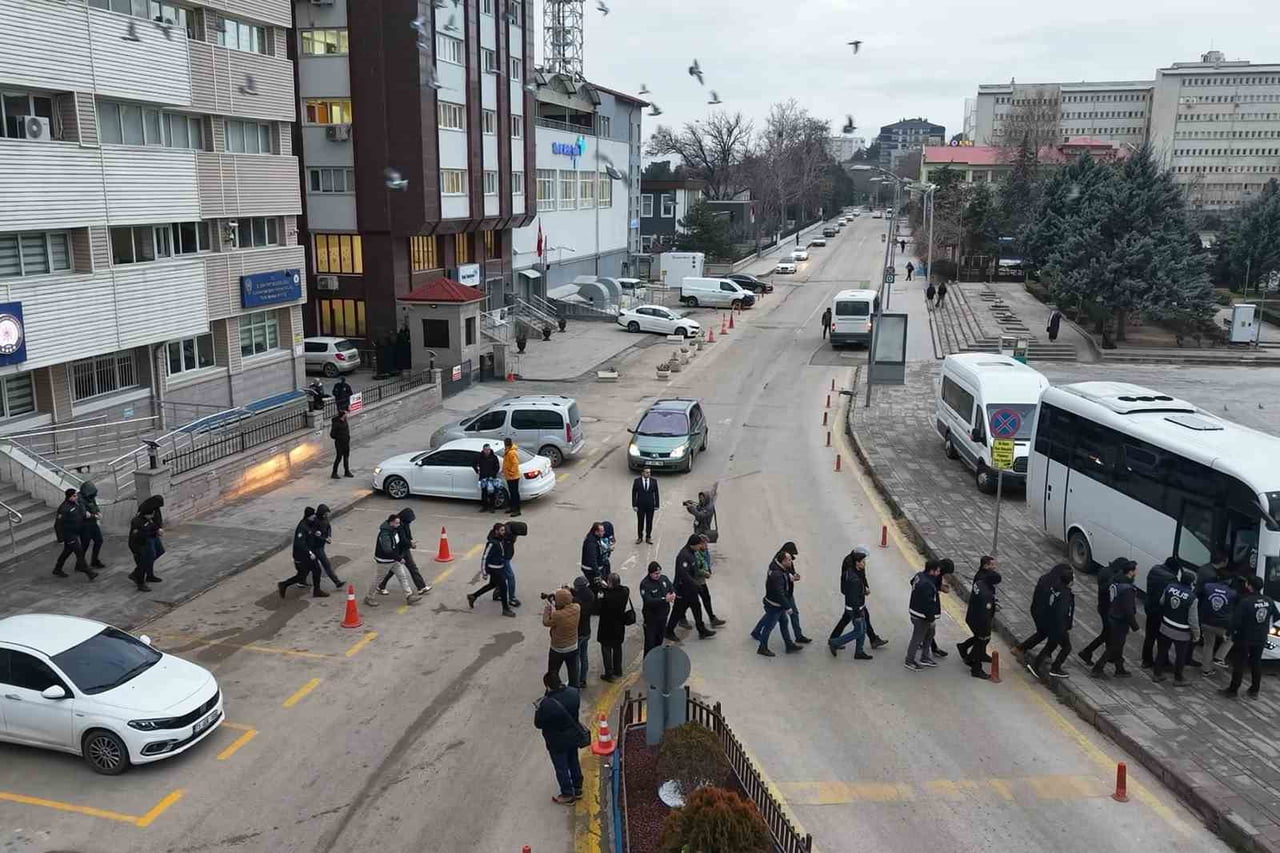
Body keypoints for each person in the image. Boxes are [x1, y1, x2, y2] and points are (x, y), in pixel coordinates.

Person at [1219, 576, 1279, 699]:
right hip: (1261, 637)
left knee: (1239, 663)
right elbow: (1277, 616)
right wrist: (1264, 625)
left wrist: (1228, 633)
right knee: (1256, 662)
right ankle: (1254, 691)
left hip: (1244, 637)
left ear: (1248, 585)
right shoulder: (1269, 600)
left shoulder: (1246, 602)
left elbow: (1236, 621)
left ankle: (1233, 690)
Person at [533, 672, 583, 804]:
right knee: (573, 761)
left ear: (547, 686)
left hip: (557, 741)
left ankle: (567, 794)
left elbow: (538, 723)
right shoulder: (573, 693)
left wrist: (542, 704)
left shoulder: (547, 704)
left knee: (561, 767)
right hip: (573, 735)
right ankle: (578, 788)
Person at [1091, 560, 1140, 679]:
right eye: (1135, 570)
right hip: (1120, 620)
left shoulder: (1116, 582)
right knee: (1114, 646)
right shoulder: (1127, 589)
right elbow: (1128, 609)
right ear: (1130, 572)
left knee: (1118, 645)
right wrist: (1134, 625)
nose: (1137, 573)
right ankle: (1098, 668)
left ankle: (1119, 668)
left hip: (1113, 615)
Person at [1080, 558, 1131, 666]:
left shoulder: (1105, 570)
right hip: (1108, 610)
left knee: (1107, 633)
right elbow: (1107, 590)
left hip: (1104, 608)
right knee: (1110, 634)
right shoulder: (1111, 577)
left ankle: (1089, 652)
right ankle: (1091, 653)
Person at [665, 535, 716, 641]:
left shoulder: (692, 553)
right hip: (682, 589)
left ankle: (701, 630)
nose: (700, 547)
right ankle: (669, 631)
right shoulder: (683, 556)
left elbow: (695, 570)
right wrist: (696, 584)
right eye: (698, 545)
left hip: (691, 588)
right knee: (678, 611)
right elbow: (684, 574)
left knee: (697, 608)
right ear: (693, 545)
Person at [1153, 567, 1199, 686]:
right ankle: (1178, 678)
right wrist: (1196, 634)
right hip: (1182, 633)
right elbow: (1193, 619)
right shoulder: (1192, 598)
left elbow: (1162, 602)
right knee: (1180, 656)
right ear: (1191, 583)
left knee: (1162, 652)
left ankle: (1157, 674)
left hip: (1165, 625)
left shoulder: (1169, 588)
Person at [365, 514, 423, 607]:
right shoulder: (385, 534)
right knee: (378, 579)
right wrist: (399, 558)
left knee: (402, 576)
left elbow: (397, 544)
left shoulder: (393, 530)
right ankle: (369, 597)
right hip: (385, 561)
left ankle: (409, 596)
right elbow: (387, 550)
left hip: (393, 559)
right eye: (397, 523)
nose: (399, 524)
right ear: (391, 522)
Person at [958, 556, 1001, 678]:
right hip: (979, 620)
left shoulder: (981, 583)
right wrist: (986, 629)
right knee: (981, 641)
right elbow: (984, 614)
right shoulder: (986, 593)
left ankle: (968, 650)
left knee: (981, 640)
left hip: (973, 615)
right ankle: (976, 668)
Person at [1030, 564, 1075, 679]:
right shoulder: (1066, 595)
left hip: (1050, 621)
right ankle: (1055, 668)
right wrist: (1063, 627)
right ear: (1070, 581)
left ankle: (1035, 666)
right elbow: (1062, 612)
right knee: (1066, 647)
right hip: (1058, 626)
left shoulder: (1055, 587)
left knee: (1051, 645)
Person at [753, 550, 801, 657]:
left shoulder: (778, 568)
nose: (791, 562)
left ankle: (789, 645)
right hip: (774, 606)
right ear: (783, 561)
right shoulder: (777, 574)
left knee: (784, 623)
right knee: (769, 627)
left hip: (777, 605)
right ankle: (762, 648)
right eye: (789, 560)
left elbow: (784, 578)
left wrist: (791, 578)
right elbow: (779, 593)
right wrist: (788, 607)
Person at [828, 545, 872, 661]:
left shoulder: (850, 572)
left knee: (863, 629)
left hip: (855, 607)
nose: (864, 564)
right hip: (855, 609)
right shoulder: (854, 580)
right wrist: (857, 614)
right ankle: (835, 642)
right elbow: (854, 599)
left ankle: (859, 651)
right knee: (858, 631)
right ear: (857, 563)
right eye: (863, 562)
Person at [1013, 565, 1064, 661]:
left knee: (1043, 633)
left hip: (1036, 610)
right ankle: (1024, 650)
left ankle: (1022, 649)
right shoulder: (1055, 585)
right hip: (1043, 613)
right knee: (1049, 634)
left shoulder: (1045, 579)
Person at [376, 508, 431, 596]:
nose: (410, 522)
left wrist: (410, 541)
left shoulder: (404, 523)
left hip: (404, 549)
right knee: (400, 569)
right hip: (399, 551)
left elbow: (407, 535)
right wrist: (410, 544)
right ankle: (380, 586)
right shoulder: (399, 526)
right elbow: (402, 540)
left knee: (405, 568)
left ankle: (421, 587)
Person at [465, 523, 515, 616]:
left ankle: (473, 596)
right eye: (502, 530)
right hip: (494, 569)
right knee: (503, 587)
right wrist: (484, 572)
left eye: (504, 530)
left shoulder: (501, 539)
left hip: (500, 567)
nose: (504, 532)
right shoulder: (492, 543)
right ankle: (505, 609)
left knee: (492, 584)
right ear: (496, 531)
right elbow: (485, 557)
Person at [278, 507, 328, 598]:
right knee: (302, 575)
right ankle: (284, 584)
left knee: (316, 570)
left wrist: (319, 534)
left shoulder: (310, 522)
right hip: (301, 555)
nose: (314, 517)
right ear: (308, 516)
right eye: (313, 515)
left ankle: (317, 590)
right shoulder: (302, 527)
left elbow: (314, 530)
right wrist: (310, 553)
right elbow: (300, 544)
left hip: (309, 554)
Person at [1198, 562, 1239, 671]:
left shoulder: (1207, 586)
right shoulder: (1233, 593)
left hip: (1205, 622)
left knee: (1208, 645)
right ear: (1229, 581)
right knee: (1232, 638)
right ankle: (1219, 657)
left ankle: (1206, 670)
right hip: (1222, 626)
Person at [904, 561, 942, 671]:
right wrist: (931, 618)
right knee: (917, 638)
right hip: (921, 616)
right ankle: (909, 660)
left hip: (917, 611)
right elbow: (928, 604)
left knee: (930, 634)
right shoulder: (927, 584)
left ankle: (925, 657)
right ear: (932, 571)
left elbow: (912, 582)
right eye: (938, 571)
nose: (939, 573)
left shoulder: (919, 576)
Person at [1142, 557, 1179, 668]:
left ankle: (1146, 660)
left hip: (1149, 607)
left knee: (1149, 636)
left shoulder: (1154, 569)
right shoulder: (1171, 579)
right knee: (1163, 638)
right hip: (1161, 611)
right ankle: (1164, 661)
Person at [53, 488, 94, 580]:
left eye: (76, 495)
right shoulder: (63, 508)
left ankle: (57, 568)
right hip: (69, 534)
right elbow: (57, 524)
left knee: (67, 552)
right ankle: (88, 571)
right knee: (79, 552)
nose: (76, 497)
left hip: (75, 532)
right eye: (74, 496)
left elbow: (80, 515)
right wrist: (60, 538)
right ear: (69, 497)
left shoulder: (76, 504)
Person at [596, 573, 631, 682]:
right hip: (619, 626)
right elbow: (619, 590)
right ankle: (618, 670)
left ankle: (609, 673)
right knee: (617, 648)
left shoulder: (606, 596)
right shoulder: (625, 592)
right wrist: (607, 588)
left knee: (606, 649)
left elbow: (598, 608)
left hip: (606, 627)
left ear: (610, 583)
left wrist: (602, 590)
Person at [544, 587, 581, 686]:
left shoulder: (557, 615)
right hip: (573, 647)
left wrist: (548, 607)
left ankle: (553, 689)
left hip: (557, 649)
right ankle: (574, 691)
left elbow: (546, 622)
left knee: (553, 672)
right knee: (573, 673)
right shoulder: (577, 608)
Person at [639, 561, 675, 654]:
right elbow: (648, 600)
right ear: (650, 573)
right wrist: (664, 599)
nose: (658, 575)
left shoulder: (664, 579)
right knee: (650, 644)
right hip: (651, 619)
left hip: (662, 617)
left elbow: (671, 588)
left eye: (659, 573)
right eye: (655, 574)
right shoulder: (645, 584)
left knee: (659, 641)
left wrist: (672, 594)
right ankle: (648, 665)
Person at [692, 534, 726, 628]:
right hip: (696, 581)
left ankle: (712, 618)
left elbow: (706, 562)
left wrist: (708, 570)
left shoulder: (704, 551)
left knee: (706, 598)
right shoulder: (696, 554)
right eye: (705, 543)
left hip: (701, 580)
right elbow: (697, 568)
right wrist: (705, 573)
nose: (707, 545)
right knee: (691, 602)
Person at [777, 541, 809, 642]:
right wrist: (789, 577)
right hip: (781, 595)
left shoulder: (788, 561)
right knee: (773, 618)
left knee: (793, 614)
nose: (791, 560)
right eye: (790, 558)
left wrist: (795, 575)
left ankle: (798, 636)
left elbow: (791, 571)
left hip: (788, 592)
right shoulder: (777, 565)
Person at [127, 503, 162, 592]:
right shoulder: (137, 522)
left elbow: (152, 527)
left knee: (149, 559)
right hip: (138, 546)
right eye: (151, 514)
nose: (153, 516)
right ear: (146, 514)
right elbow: (139, 536)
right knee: (142, 564)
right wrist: (136, 551)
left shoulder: (148, 519)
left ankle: (145, 575)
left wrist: (157, 530)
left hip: (144, 543)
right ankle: (140, 583)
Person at [312, 504, 346, 589]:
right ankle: (337, 582)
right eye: (325, 513)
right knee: (326, 564)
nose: (327, 515)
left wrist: (329, 536)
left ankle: (301, 579)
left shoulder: (325, 518)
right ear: (321, 513)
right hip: (316, 546)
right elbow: (314, 535)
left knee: (311, 564)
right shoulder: (315, 521)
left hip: (321, 544)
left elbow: (328, 527)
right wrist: (324, 539)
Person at [572, 576, 596, 688]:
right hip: (587, 631)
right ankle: (583, 679)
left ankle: (575, 681)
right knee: (584, 655)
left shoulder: (577, 602)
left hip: (578, 633)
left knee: (576, 658)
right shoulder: (590, 595)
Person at [77, 481, 106, 569]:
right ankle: (79, 563)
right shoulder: (80, 499)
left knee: (99, 540)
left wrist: (98, 512)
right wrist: (95, 516)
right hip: (84, 525)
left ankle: (94, 560)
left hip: (92, 522)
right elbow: (84, 514)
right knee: (85, 544)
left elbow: (94, 505)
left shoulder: (90, 496)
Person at [632, 467, 659, 544]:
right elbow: (634, 493)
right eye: (647, 472)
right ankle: (640, 537)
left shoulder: (654, 481)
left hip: (650, 505)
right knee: (640, 521)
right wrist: (634, 505)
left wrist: (657, 504)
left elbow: (656, 493)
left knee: (649, 521)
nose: (648, 474)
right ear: (642, 473)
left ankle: (648, 537)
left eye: (649, 472)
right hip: (640, 505)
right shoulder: (637, 481)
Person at [474, 443, 502, 512]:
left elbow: (497, 467)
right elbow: (473, 464)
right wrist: (477, 470)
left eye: (488, 449)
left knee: (492, 493)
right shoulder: (479, 457)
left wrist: (493, 474)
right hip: (483, 477)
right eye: (486, 450)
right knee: (484, 493)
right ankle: (484, 507)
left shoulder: (494, 457)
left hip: (491, 478)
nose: (487, 451)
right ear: (483, 450)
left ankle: (492, 507)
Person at [581, 522, 609, 587]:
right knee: (596, 587)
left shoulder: (595, 538)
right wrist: (598, 575)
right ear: (596, 532)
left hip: (597, 567)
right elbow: (592, 560)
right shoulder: (591, 543)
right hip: (591, 570)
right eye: (601, 531)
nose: (603, 532)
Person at [502, 437, 522, 517]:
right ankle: (512, 507)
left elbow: (515, 463)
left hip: (513, 477)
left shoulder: (511, 452)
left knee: (514, 494)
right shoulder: (508, 451)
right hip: (509, 476)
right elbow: (507, 462)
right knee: (512, 493)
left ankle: (517, 510)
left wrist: (511, 472)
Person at [330, 410, 352, 479]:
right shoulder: (336, 424)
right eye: (345, 414)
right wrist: (340, 438)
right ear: (343, 415)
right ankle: (334, 473)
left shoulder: (345, 420)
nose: (347, 415)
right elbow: (332, 435)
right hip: (339, 443)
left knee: (346, 457)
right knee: (339, 457)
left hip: (346, 442)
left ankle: (347, 471)